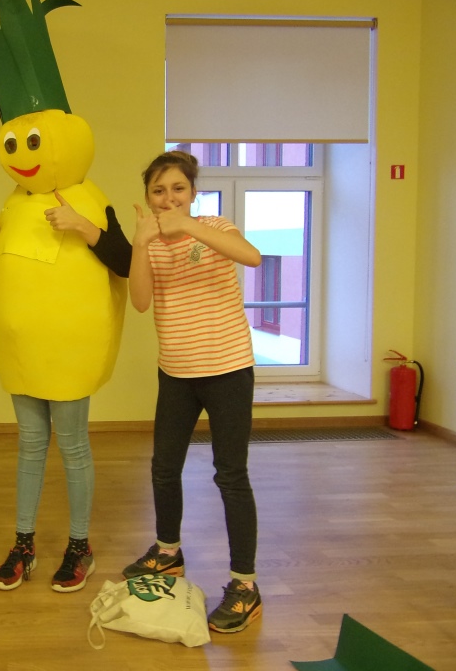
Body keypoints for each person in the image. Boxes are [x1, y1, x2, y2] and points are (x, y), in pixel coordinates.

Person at [121, 150, 264, 634]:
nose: (169, 198)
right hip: (176, 375)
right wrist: (142, 242)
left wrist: (187, 226)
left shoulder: (215, 226)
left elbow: (252, 257)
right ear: (148, 197)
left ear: (193, 192)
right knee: (164, 468)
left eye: (178, 188)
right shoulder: (149, 243)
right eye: (159, 191)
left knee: (231, 476)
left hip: (228, 371)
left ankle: (245, 584)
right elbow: (141, 302)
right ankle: (168, 553)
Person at [0, 192, 130, 593]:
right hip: (24, 350)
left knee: (73, 446)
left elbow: (125, 262)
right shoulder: (14, 207)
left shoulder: (91, 202)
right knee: (30, 444)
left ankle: (80, 546)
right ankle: (24, 544)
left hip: (68, 349)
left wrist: (83, 225)